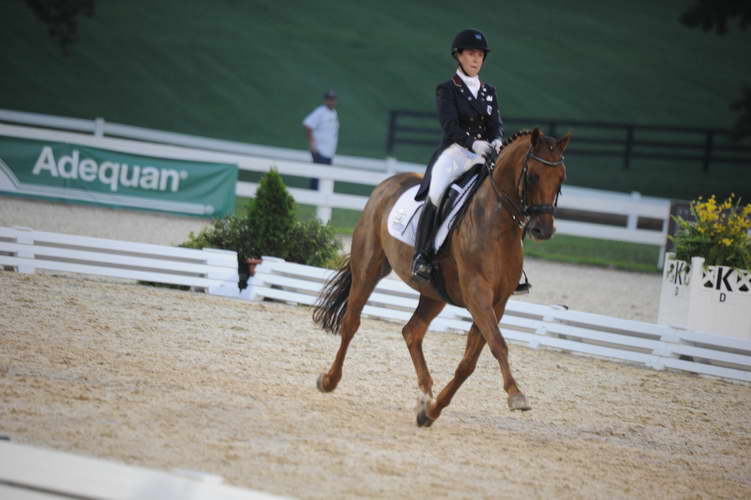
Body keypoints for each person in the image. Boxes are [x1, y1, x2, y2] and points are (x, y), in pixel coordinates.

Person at [411, 28, 504, 282]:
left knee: (507, 194)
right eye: (471, 54)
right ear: (459, 56)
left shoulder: (489, 91)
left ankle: (508, 263)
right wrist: (473, 143)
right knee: (437, 192)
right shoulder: (447, 89)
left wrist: (496, 139)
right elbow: (449, 126)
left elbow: (495, 124)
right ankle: (422, 256)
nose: (476, 59)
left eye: (480, 55)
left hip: (483, 155)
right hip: (455, 153)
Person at [303, 90, 339, 190]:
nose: (331, 102)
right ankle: (313, 195)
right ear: (325, 100)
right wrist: (312, 143)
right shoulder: (320, 112)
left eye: (333, 99)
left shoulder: (334, 113)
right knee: (317, 178)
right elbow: (308, 125)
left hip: (329, 152)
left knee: (325, 178)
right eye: (329, 99)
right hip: (320, 151)